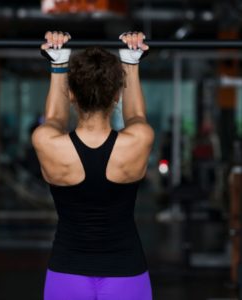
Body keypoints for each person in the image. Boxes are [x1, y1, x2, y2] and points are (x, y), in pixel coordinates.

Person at [32, 31, 154, 300]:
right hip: (126, 272)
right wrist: (131, 62)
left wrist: (58, 63)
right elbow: (136, 115)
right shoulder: (138, 141)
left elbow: (53, 117)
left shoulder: (47, 142)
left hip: (66, 273)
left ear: (71, 94)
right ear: (115, 97)